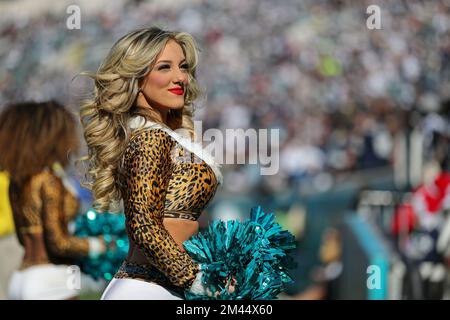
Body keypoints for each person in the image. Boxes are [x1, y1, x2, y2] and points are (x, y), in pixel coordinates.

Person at [80, 27, 230, 300]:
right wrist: (198, 280)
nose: (180, 77)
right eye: (164, 67)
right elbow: (143, 224)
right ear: (136, 79)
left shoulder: (162, 135)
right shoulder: (150, 138)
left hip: (159, 287)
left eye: (183, 67)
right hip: (147, 289)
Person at [0, 101, 107, 300]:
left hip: (21, 278)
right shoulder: (48, 180)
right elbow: (59, 242)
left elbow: (23, 238)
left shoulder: (17, 182)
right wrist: (100, 245)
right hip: (50, 278)